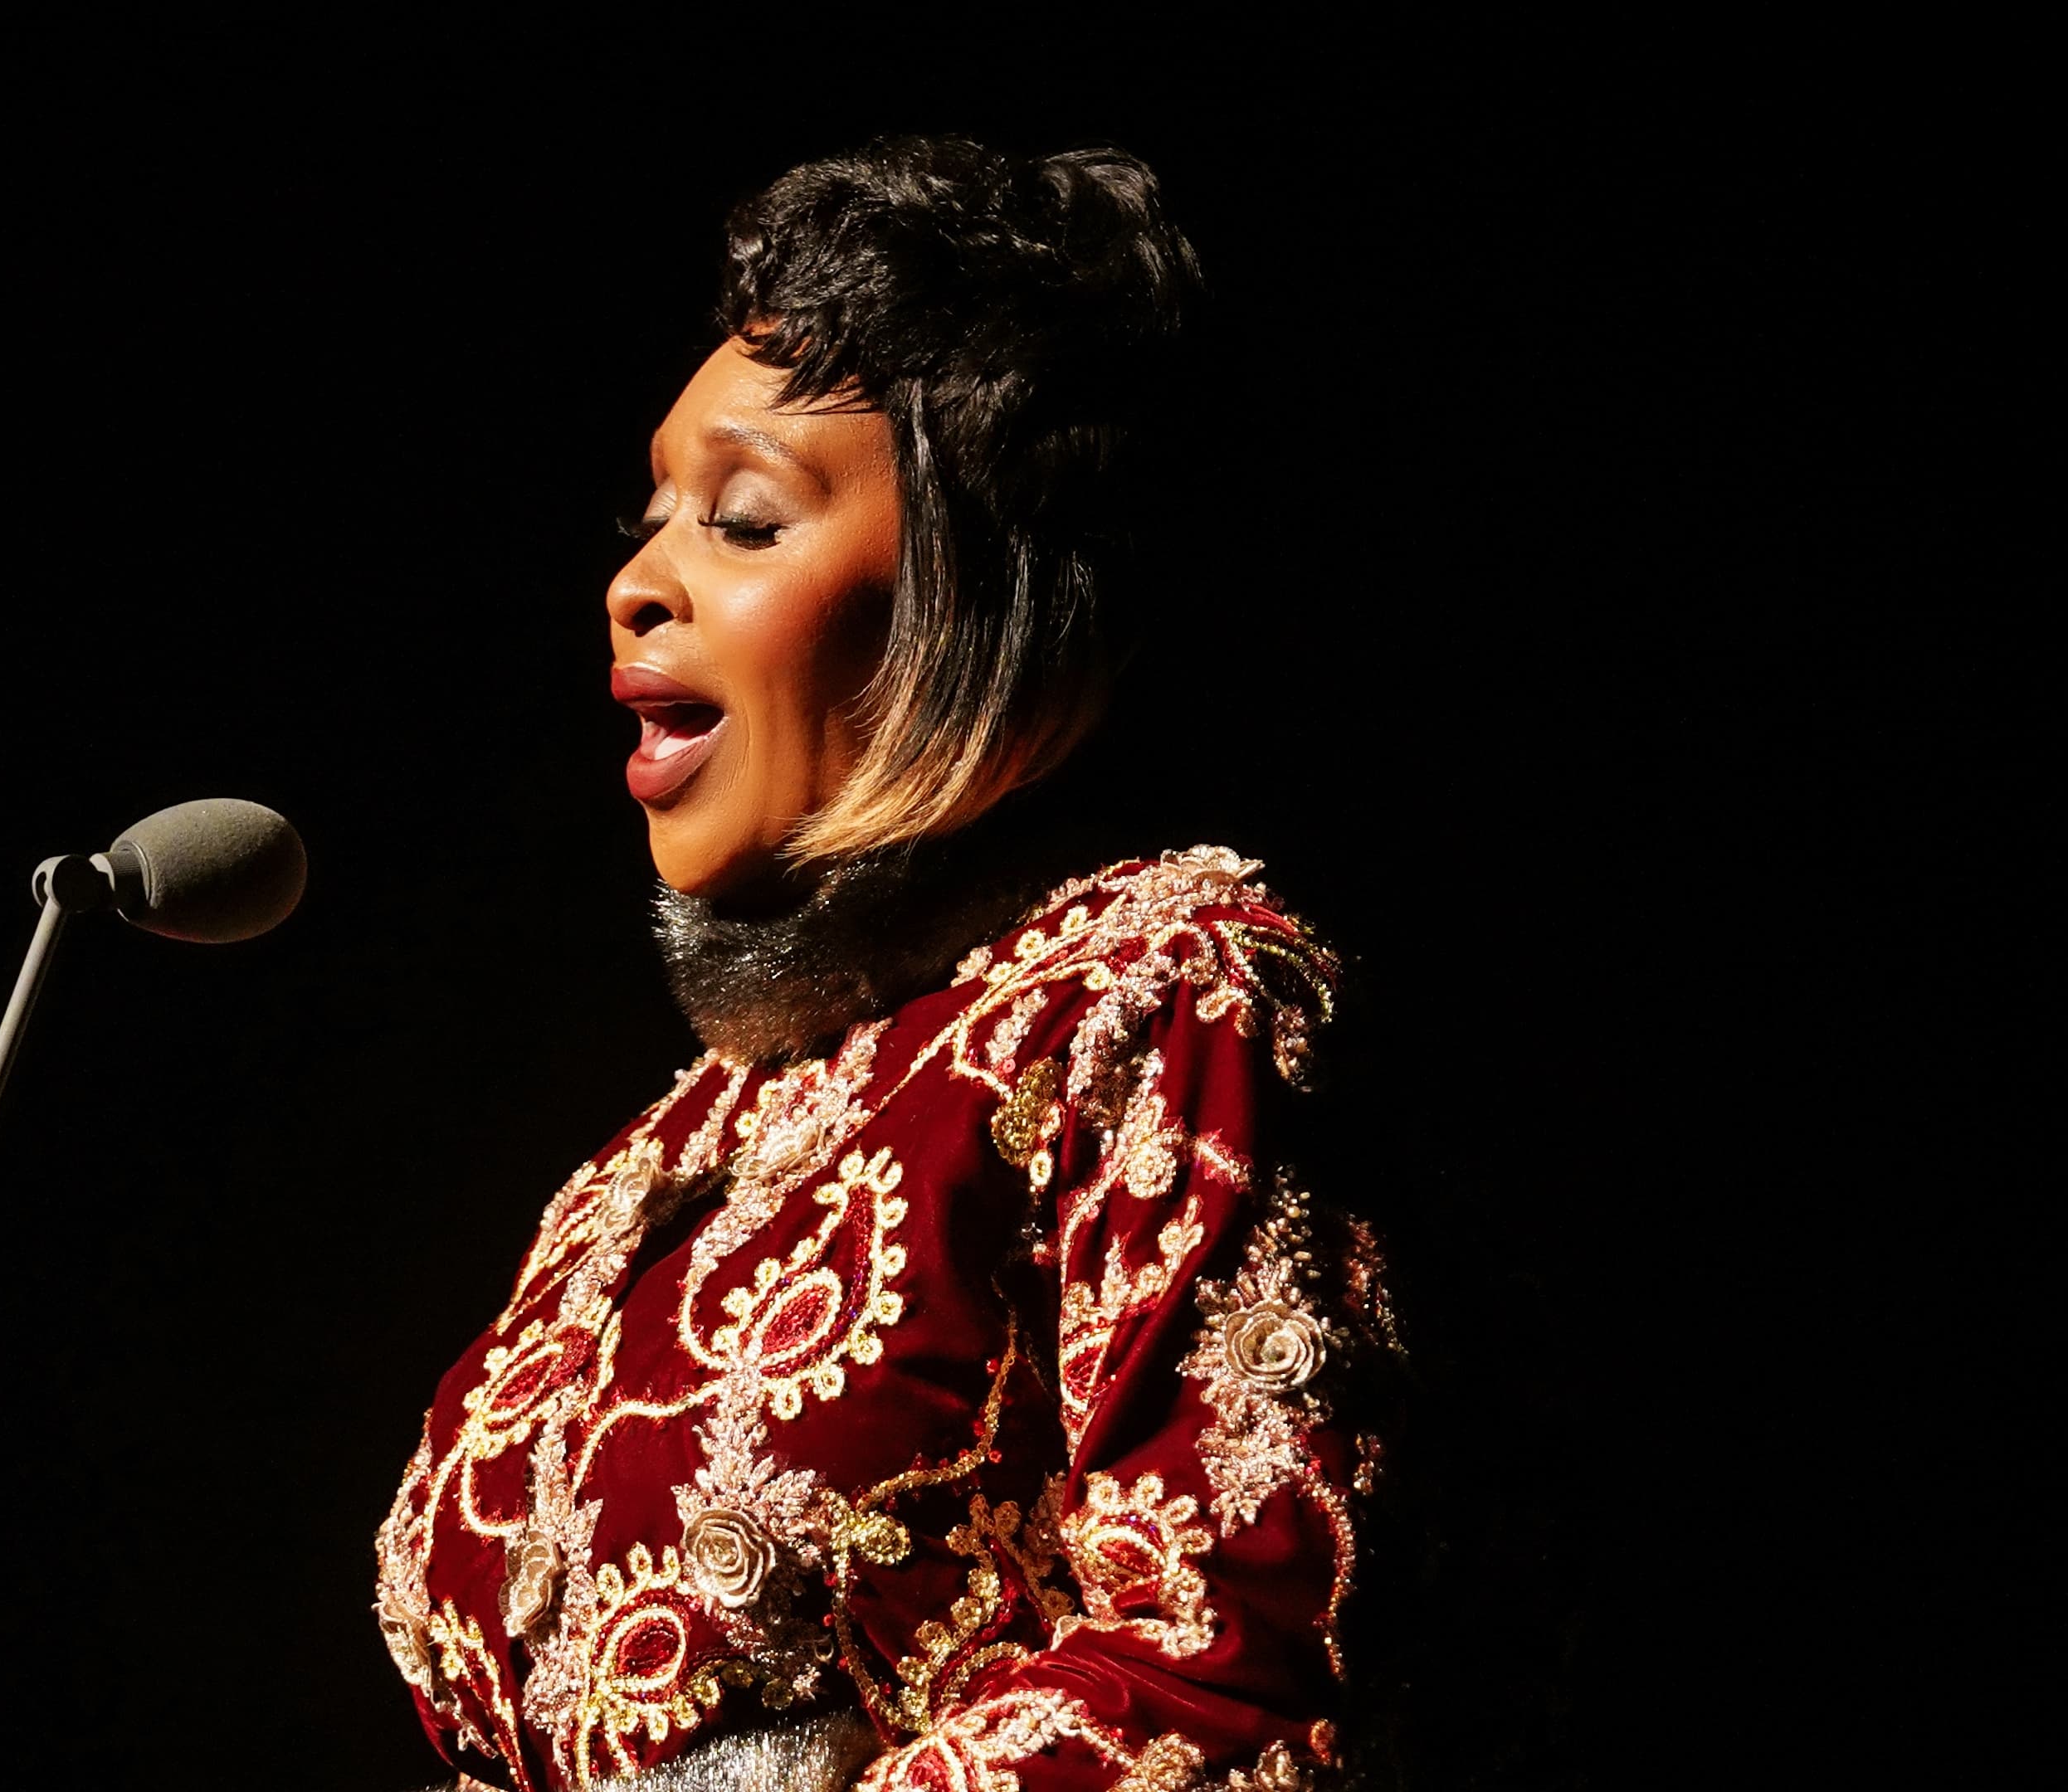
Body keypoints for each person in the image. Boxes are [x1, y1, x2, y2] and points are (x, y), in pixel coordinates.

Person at [375, 136, 1397, 1792]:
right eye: (649, 520)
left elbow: (1230, 1674)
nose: (636, 585)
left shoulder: (1161, 995)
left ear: (977, 594)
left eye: (744, 521)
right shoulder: (672, 1145)